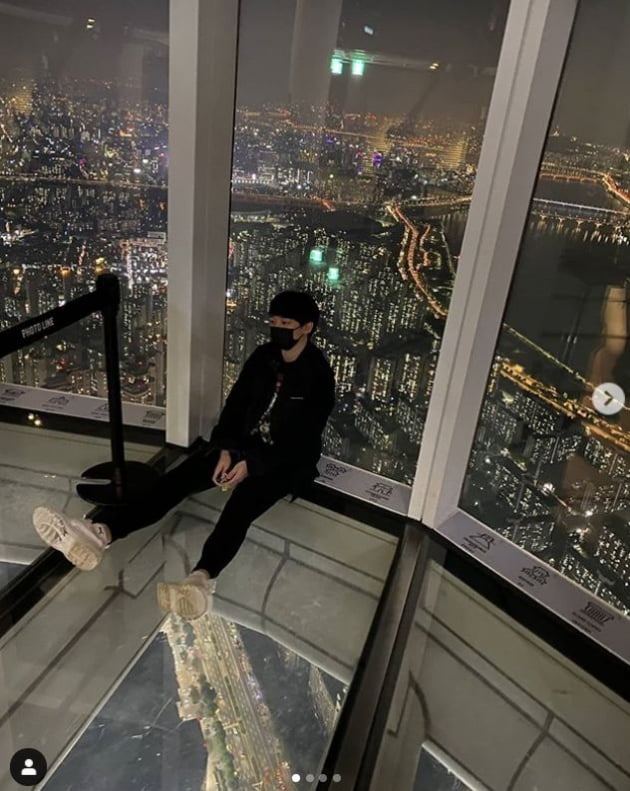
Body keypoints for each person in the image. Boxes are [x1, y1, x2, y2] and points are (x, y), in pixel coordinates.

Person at [32, 291, 336, 620]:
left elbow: (303, 439)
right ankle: (101, 531)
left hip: (282, 460)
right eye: (274, 321)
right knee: (176, 481)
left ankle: (201, 578)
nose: (277, 329)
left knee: (240, 508)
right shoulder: (264, 358)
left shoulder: (318, 375)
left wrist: (252, 465)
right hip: (242, 444)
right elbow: (236, 406)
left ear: (307, 328)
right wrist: (226, 449)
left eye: (286, 323)